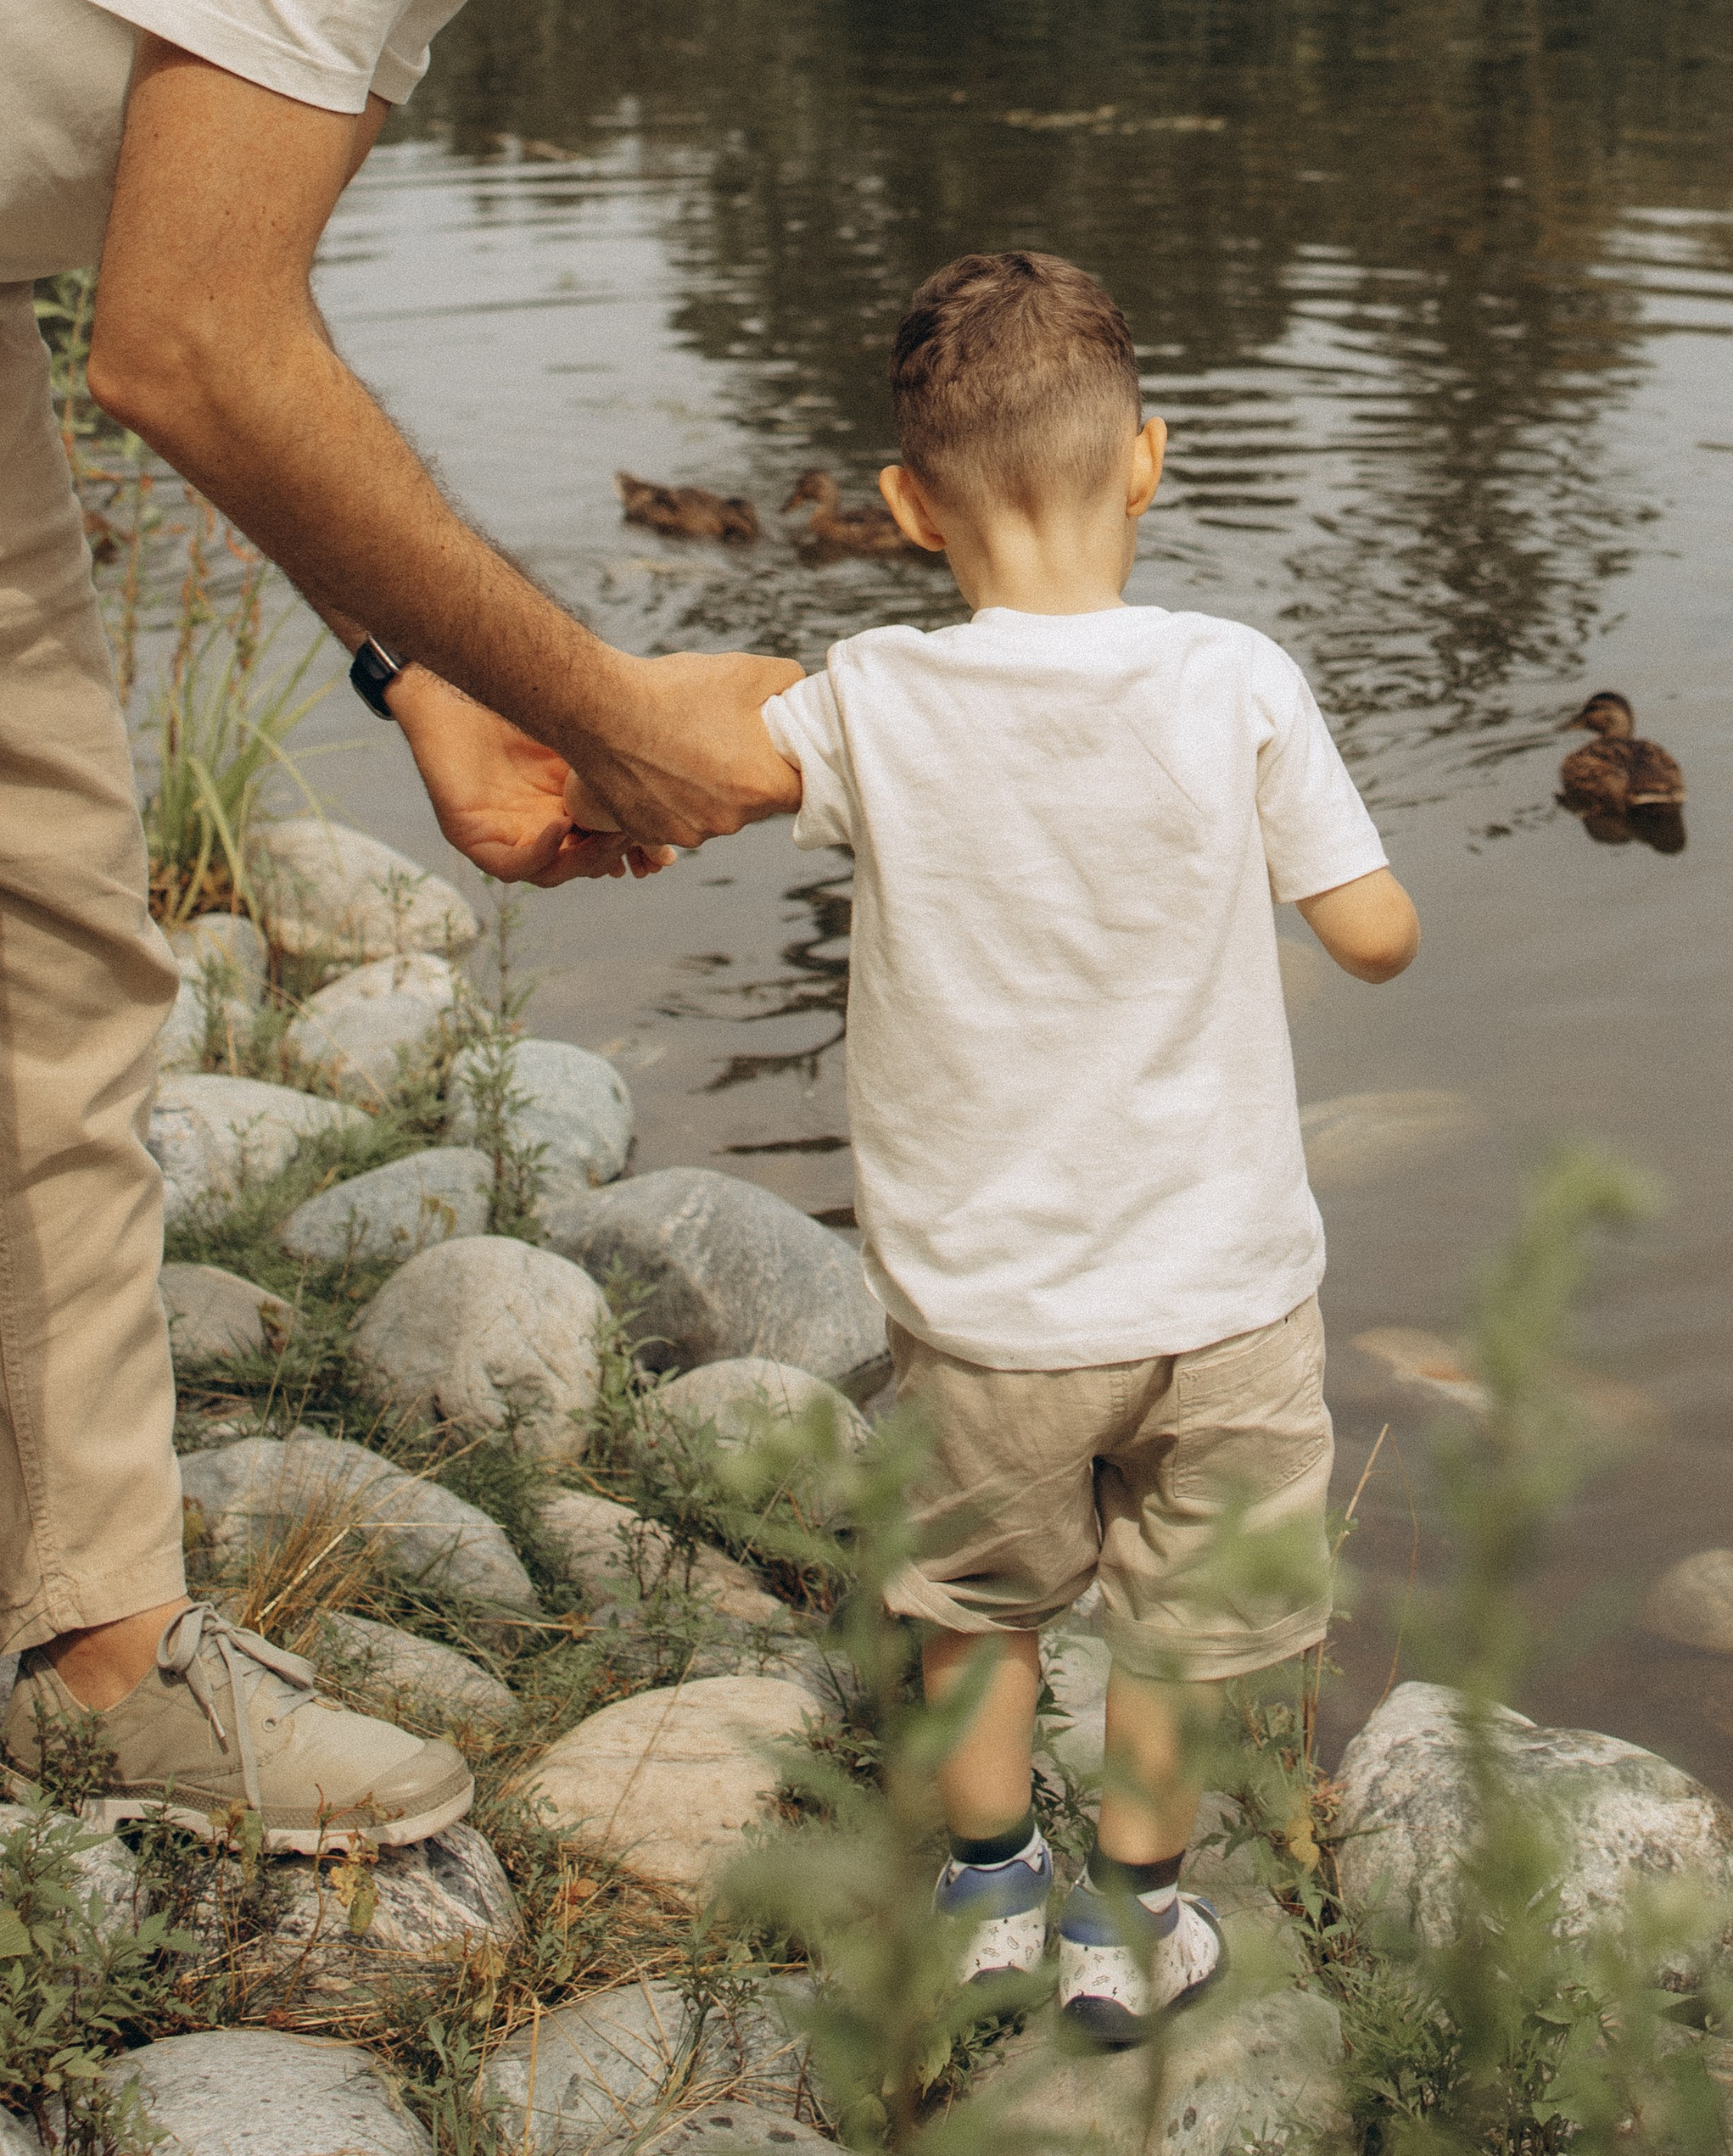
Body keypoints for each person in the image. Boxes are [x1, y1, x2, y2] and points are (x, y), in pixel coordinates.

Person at [0, 0, 975, 1845]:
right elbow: (195, 347)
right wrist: (613, 715)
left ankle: (95, 1663)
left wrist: (440, 689)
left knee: (46, 963)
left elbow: (195, 293)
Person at [579, 250, 1418, 2042]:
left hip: (992, 1317)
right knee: (1183, 1629)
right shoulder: (1235, 678)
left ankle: (985, 1896)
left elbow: (705, 770)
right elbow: (1371, 935)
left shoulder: (871, 696)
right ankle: (1134, 1918)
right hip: (1227, 1298)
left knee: (971, 1608)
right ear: (1148, 462)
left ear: (901, 505)